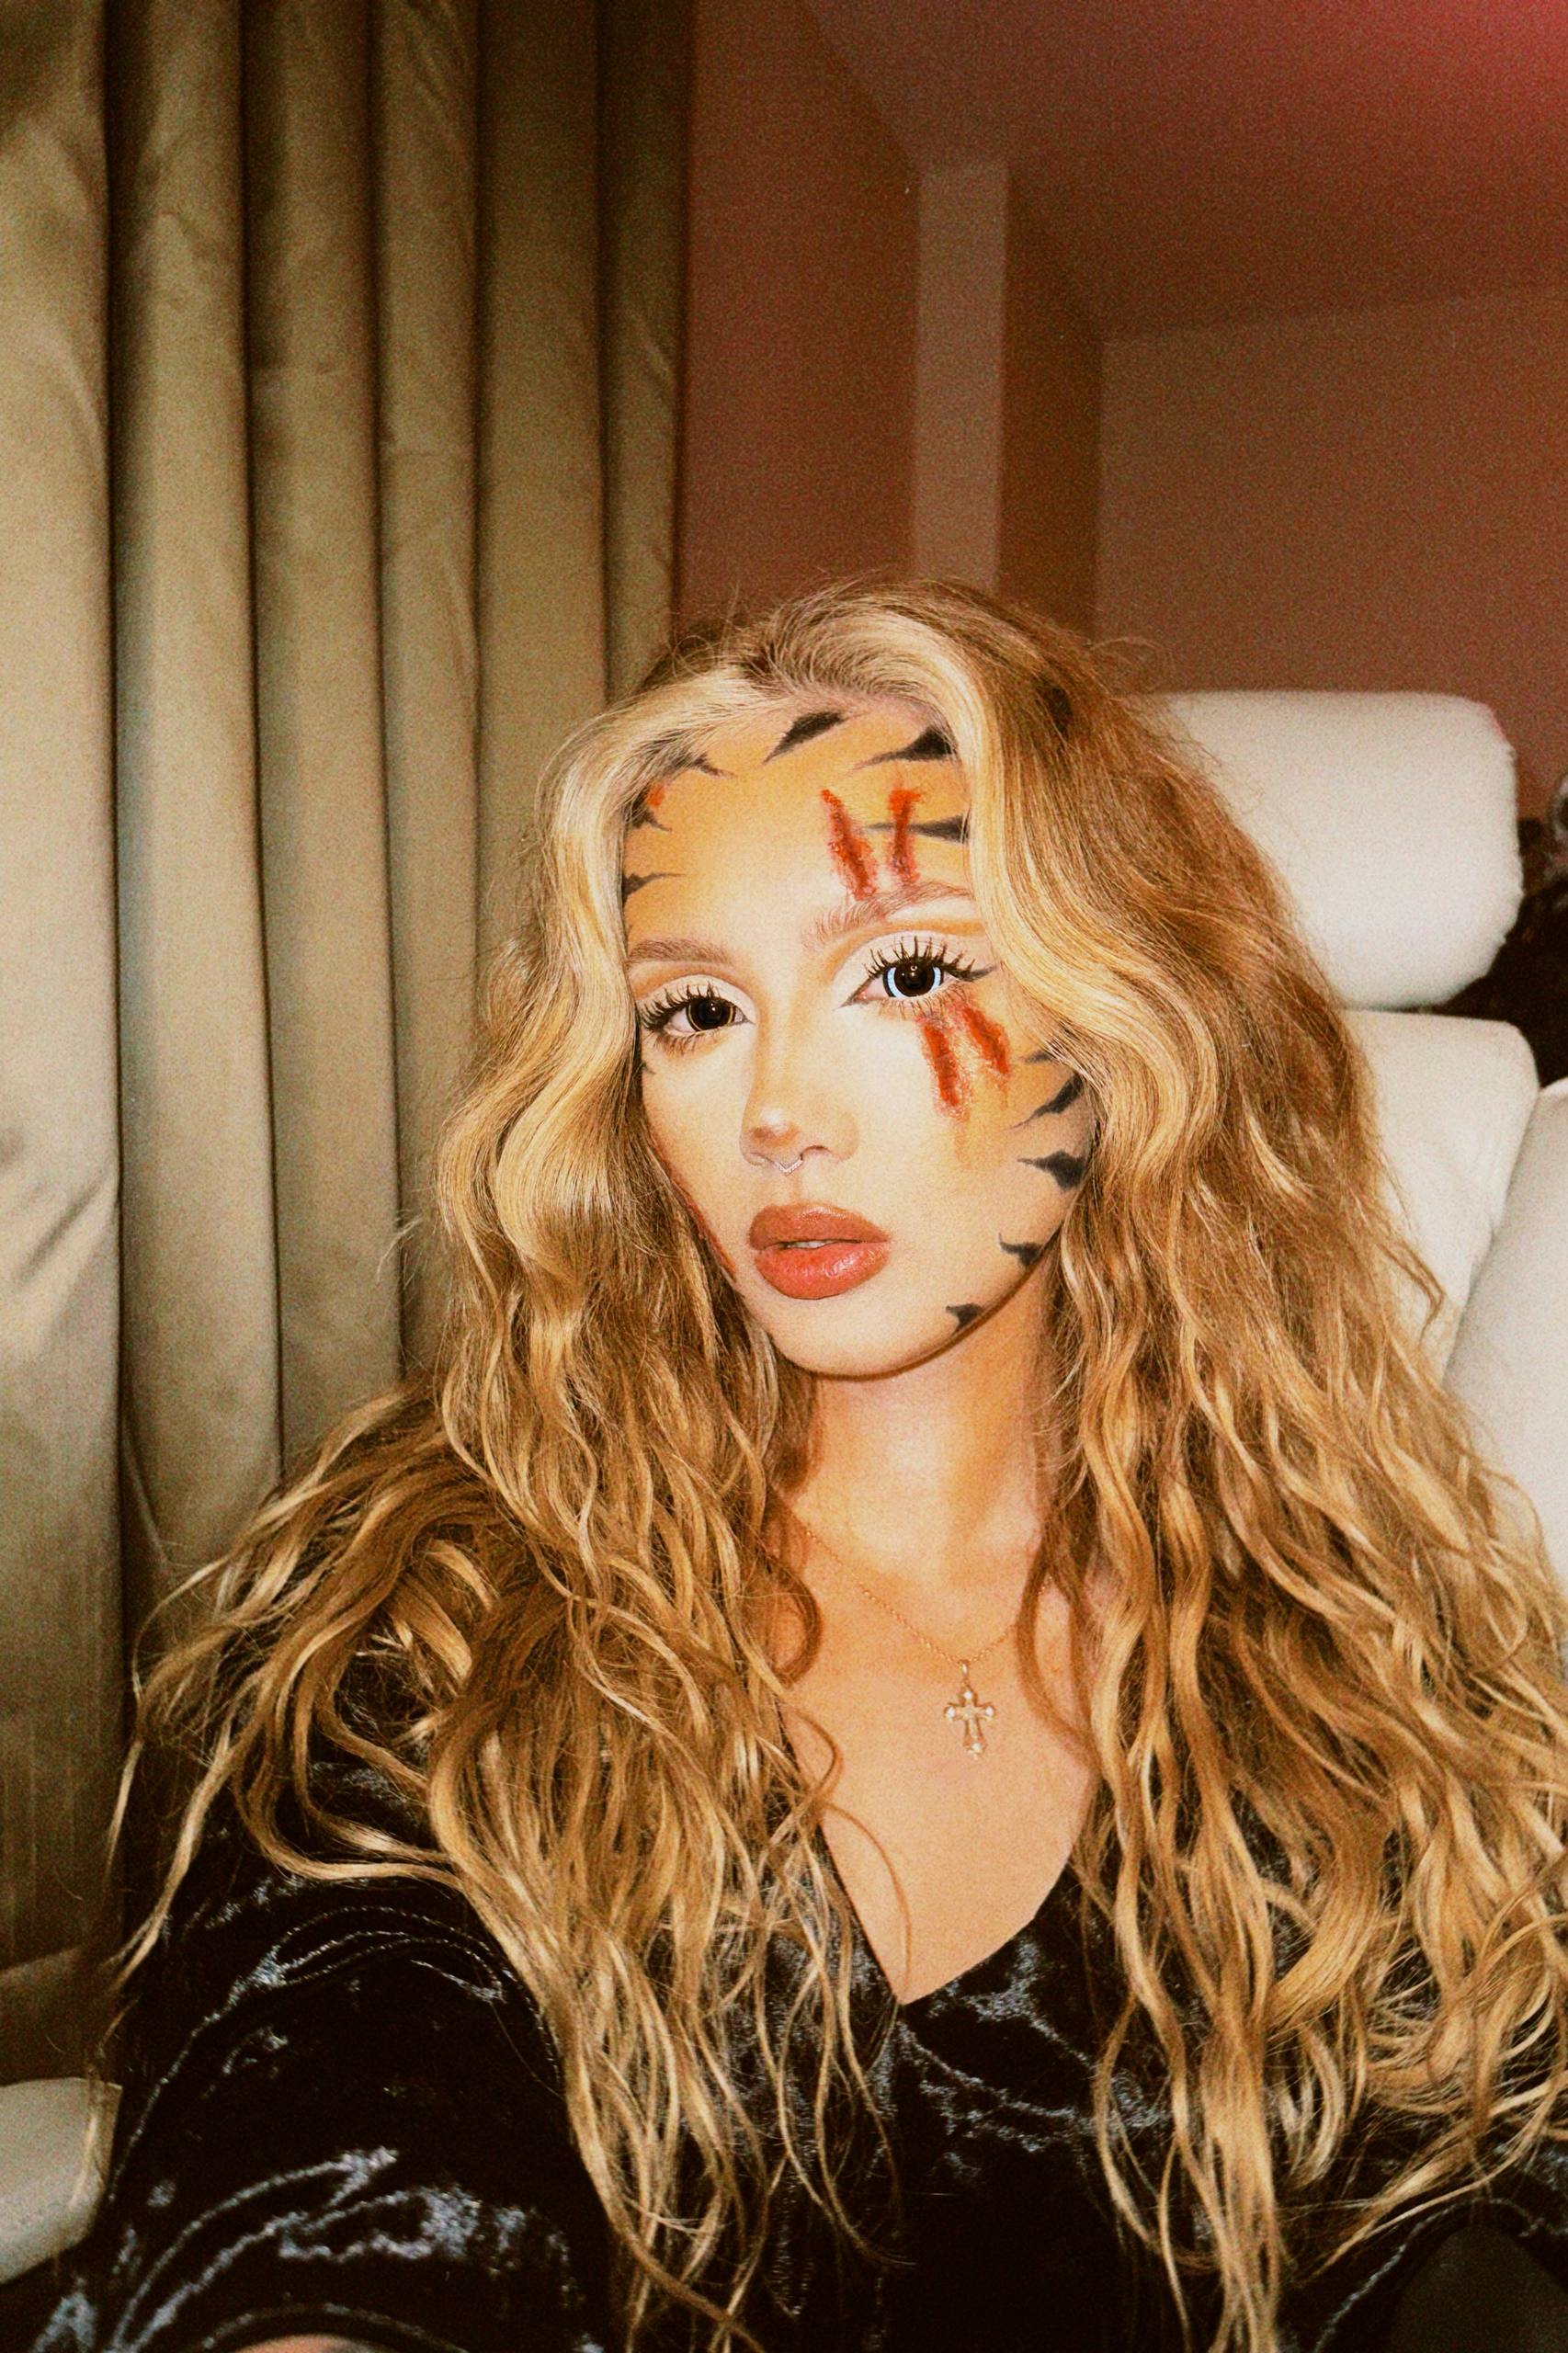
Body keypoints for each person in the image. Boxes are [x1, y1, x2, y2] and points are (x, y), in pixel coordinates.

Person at [27, 579, 1568, 2353]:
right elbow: (327, 2144)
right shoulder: (426, 1626)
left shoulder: (1357, 1643)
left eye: (901, 974)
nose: (777, 1114)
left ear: (1125, 1022)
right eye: (693, 1010)